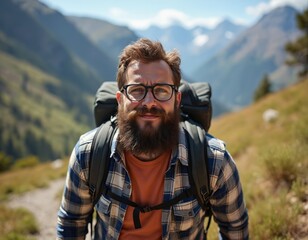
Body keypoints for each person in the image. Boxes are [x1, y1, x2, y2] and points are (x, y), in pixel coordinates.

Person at [57, 38, 249, 239]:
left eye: (161, 90)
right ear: (120, 100)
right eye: (137, 90)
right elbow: (72, 222)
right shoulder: (88, 154)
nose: (149, 102)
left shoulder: (214, 161)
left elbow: (235, 228)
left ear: (177, 100)